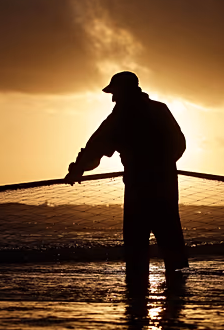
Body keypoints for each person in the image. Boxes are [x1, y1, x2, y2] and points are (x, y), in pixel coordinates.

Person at [64, 71, 189, 288]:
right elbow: (180, 144)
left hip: (138, 185)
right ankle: (177, 294)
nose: (112, 98)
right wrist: (163, 165)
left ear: (123, 92)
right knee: (170, 238)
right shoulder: (160, 109)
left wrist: (77, 170)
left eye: (114, 93)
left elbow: (96, 147)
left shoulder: (120, 116)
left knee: (136, 242)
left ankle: (138, 293)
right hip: (166, 183)